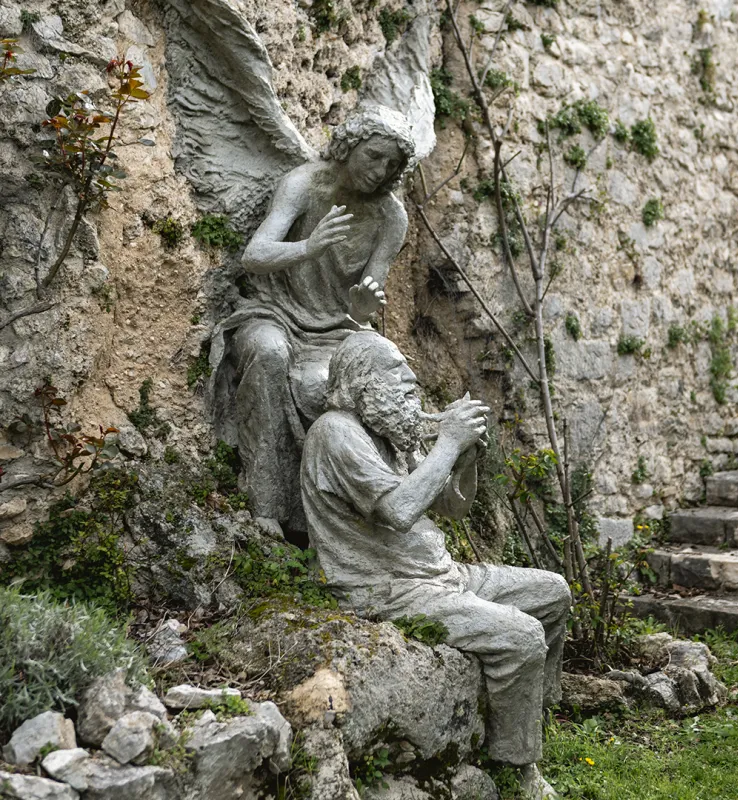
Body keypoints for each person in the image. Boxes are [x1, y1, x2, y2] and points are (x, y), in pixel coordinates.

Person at [300, 331, 569, 796]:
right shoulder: (336, 433)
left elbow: (449, 507)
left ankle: (532, 717)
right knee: (523, 634)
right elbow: (401, 512)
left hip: (441, 575)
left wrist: (463, 455)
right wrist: (448, 441)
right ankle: (518, 768)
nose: (411, 380)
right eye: (397, 372)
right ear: (363, 382)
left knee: (553, 592)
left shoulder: (392, 428)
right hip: (387, 589)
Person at [209, 108, 414, 539]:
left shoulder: (390, 218)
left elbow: (365, 306)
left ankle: (345, 521)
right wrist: (309, 245)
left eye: (390, 166)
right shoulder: (303, 184)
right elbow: (255, 255)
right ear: (349, 147)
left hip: (337, 330)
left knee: (353, 383)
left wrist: (361, 308)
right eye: (373, 156)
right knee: (268, 353)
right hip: (274, 315)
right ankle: (266, 506)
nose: (379, 172)